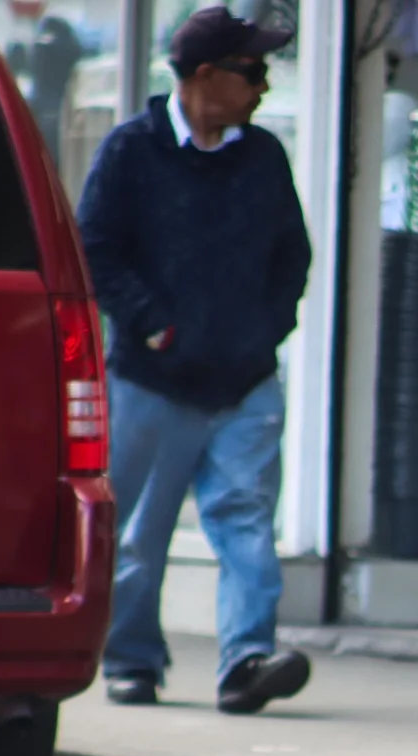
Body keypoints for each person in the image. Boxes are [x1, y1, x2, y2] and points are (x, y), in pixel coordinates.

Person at [77, 6, 313, 714]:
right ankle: (133, 659)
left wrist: (266, 330)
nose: (265, 85)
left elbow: (290, 256)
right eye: (254, 71)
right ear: (206, 76)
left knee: (246, 520)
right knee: (140, 534)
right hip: (153, 381)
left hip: (244, 381)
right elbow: (97, 249)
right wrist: (152, 326)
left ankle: (246, 661)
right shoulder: (131, 151)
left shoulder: (263, 155)